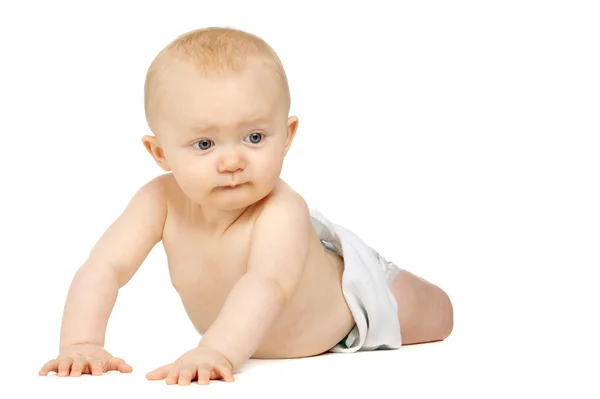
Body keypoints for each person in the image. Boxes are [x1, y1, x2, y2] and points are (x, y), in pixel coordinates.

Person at [38, 26, 454, 385]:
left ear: (287, 135)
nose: (233, 161)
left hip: (352, 296)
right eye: (205, 144)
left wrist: (216, 350)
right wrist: (81, 343)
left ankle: (396, 279)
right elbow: (103, 267)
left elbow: (266, 283)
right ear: (160, 152)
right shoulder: (159, 200)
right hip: (263, 321)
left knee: (439, 316)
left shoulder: (281, 209)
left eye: (255, 138)